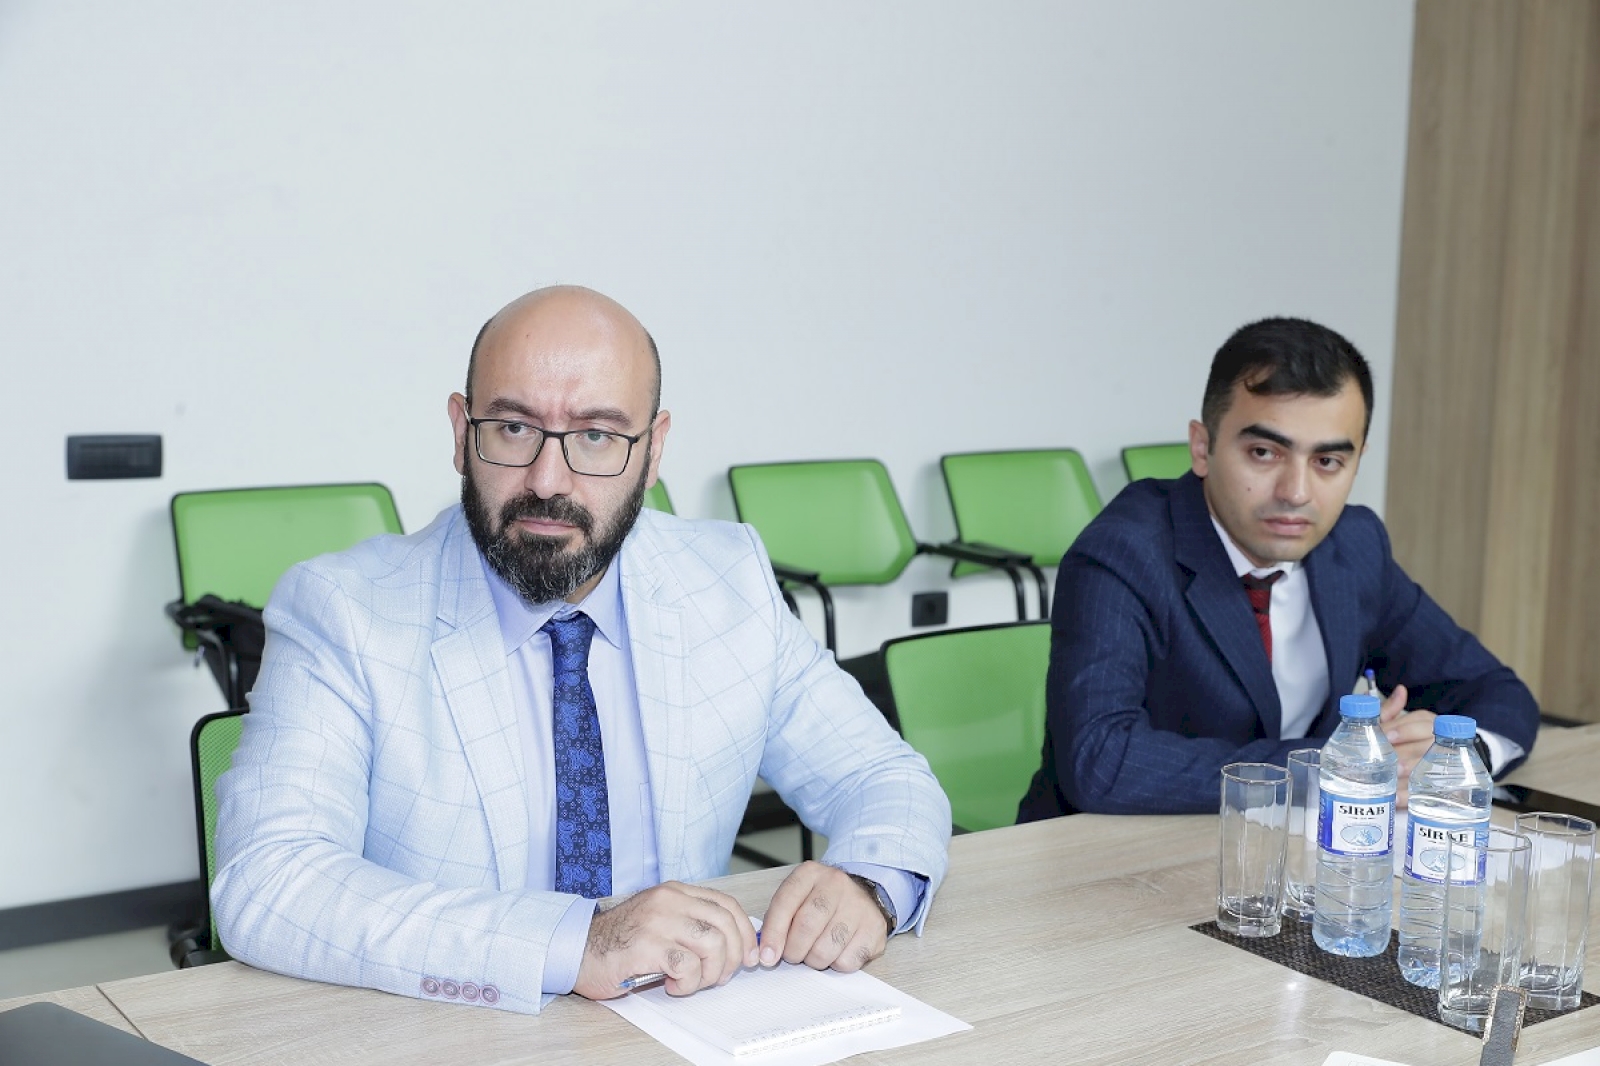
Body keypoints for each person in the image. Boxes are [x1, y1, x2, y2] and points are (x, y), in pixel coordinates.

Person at [212, 285, 951, 1015]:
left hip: (690, 1023)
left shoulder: (728, 584)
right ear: (461, 433)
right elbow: (269, 880)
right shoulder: (345, 611)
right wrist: (576, 942)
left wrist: (870, 883)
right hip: (449, 1034)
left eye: (597, 435)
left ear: (653, 451)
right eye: (512, 428)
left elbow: (881, 775)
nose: (547, 480)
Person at [1016, 316, 1538, 818]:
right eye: (1264, 453)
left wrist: (1460, 755)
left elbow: (1493, 690)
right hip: (1109, 857)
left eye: (1327, 462)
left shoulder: (1354, 545)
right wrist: (1336, 766)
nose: (1296, 493)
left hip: (1295, 849)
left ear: (1357, 460)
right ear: (1202, 447)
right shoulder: (1123, 553)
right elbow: (1101, 760)